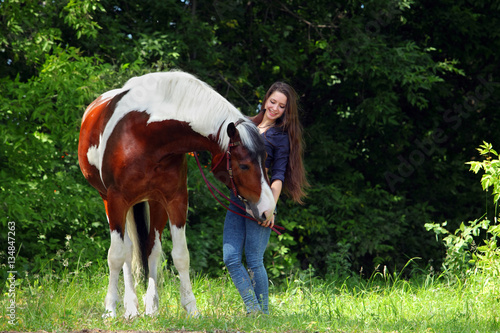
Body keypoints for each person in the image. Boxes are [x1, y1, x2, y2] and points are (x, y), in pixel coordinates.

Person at [222, 81, 309, 314]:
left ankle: (263, 313)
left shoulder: (280, 137)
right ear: (265, 99)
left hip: (262, 202)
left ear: (286, 111)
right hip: (237, 200)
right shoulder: (245, 125)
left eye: (282, 106)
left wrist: (270, 207)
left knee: (253, 259)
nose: (275, 108)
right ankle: (254, 309)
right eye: (273, 102)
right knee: (230, 257)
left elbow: (279, 175)